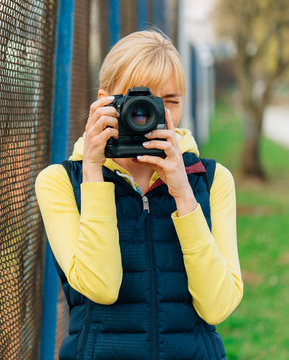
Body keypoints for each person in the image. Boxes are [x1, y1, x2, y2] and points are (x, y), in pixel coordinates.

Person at [35, 30, 243, 360]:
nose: (151, 115)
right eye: (137, 102)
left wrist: (182, 192)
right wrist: (92, 170)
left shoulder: (213, 180)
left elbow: (217, 306)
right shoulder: (60, 182)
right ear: (103, 100)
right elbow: (101, 286)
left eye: (170, 102)